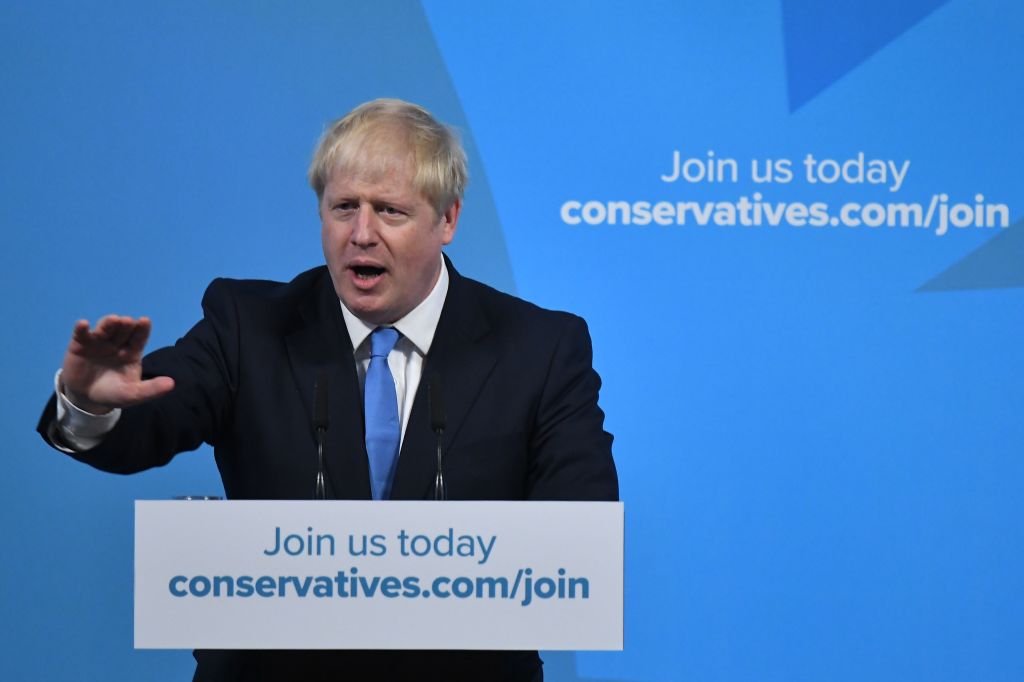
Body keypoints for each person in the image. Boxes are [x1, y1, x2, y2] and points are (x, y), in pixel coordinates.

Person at [38, 98, 618, 681]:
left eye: (389, 211)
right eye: (344, 207)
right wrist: (91, 402)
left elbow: (577, 538)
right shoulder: (248, 326)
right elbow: (148, 421)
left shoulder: (539, 348)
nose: (360, 234)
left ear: (448, 220)